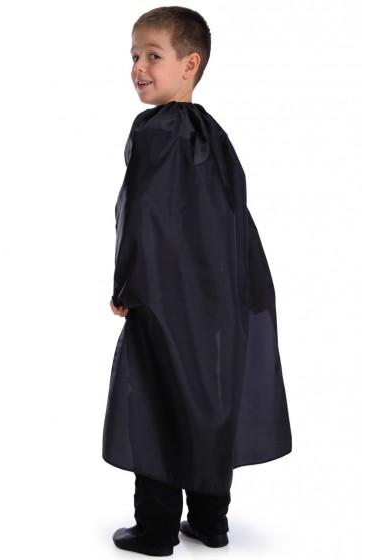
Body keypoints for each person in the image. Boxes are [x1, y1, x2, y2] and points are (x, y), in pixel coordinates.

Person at [102, 6, 292, 556]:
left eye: (152, 56)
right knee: (210, 395)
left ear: (190, 64)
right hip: (220, 297)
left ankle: (156, 528)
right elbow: (235, 217)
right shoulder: (215, 133)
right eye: (134, 56)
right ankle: (211, 521)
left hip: (164, 297)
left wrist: (125, 285)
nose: (138, 68)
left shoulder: (153, 130)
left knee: (155, 395)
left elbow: (140, 214)